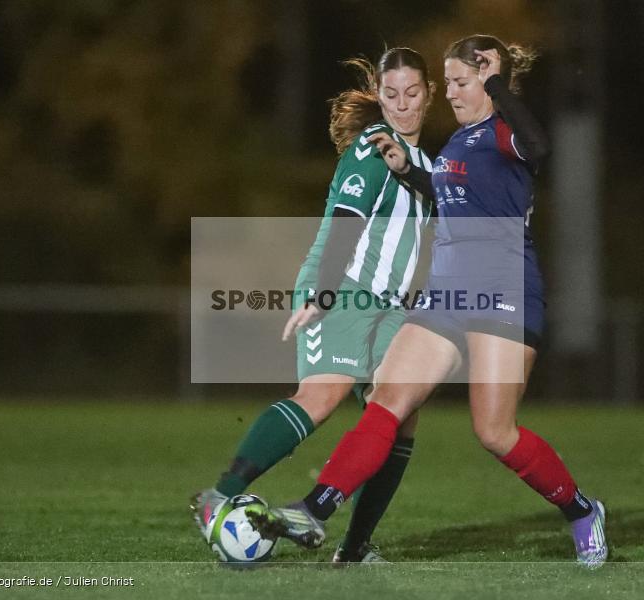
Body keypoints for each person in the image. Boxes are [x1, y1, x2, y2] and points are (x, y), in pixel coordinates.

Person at [249, 35, 609, 569]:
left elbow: (540, 147)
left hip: (504, 289)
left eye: (463, 82)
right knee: (386, 402)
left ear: (489, 78)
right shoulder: (459, 143)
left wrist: (493, 85)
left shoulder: (507, 131)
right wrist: (405, 167)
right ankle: (315, 509)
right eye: (451, 83)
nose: (453, 93)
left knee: (494, 432)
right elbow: (448, 196)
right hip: (447, 291)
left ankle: (582, 512)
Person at [191, 47, 437, 563]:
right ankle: (219, 496)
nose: (401, 104)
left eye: (412, 93)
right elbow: (347, 221)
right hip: (343, 285)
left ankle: (353, 548)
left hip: (391, 305)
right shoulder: (374, 147)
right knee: (324, 396)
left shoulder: (424, 165)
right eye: (391, 94)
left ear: (429, 94)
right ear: (380, 96)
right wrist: (322, 293)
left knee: (400, 415)